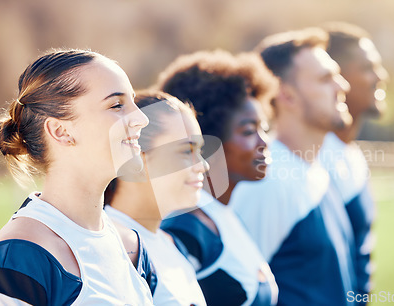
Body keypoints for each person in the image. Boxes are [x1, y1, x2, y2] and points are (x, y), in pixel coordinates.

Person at [0, 49, 155, 305]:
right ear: (60, 131)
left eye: (133, 103)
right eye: (117, 105)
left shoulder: (133, 247)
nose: (142, 119)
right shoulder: (22, 255)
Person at [229, 28, 358, 305]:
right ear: (287, 96)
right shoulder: (267, 182)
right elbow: (240, 292)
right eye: (326, 79)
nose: (342, 86)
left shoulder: (317, 169)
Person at [157, 50, 279, 306]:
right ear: (207, 139)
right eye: (248, 130)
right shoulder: (185, 227)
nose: (263, 142)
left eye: (263, 128)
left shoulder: (222, 214)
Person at [104, 90, 208, 306]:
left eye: (199, 151)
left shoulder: (171, 245)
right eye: (185, 151)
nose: (203, 165)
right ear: (136, 159)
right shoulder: (108, 246)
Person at [319, 21, 389, 297]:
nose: (380, 76)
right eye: (368, 68)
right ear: (337, 78)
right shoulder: (312, 160)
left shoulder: (354, 156)